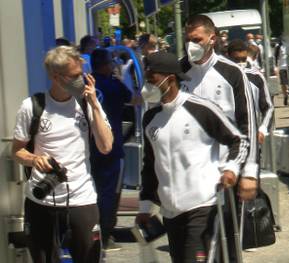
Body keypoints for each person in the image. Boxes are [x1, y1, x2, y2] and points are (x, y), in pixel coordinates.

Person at [135, 51, 249, 263]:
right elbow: (150, 164)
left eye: (151, 78)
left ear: (169, 79)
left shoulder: (200, 109)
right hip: (170, 212)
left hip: (202, 207)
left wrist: (232, 168)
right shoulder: (151, 119)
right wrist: (145, 207)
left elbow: (239, 140)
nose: (146, 84)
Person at [11, 46, 113, 263]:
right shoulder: (32, 106)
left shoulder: (86, 104)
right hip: (42, 199)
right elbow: (17, 151)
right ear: (56, 77)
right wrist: (34, 159)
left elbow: (106, 146)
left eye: (82, 75)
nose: (81, 80)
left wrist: (94, 104)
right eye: (75, 76)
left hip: (81, 197)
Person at [180, 14, 258, 201]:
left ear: (212, 39)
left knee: (228, 228)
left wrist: (249, 171)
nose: (191, 45)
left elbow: (248, 122)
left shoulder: (232, 73)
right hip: (186, 173)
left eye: (197, 40)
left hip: (225, 171)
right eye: (188, 40)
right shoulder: (177, 72)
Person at [90, 48, 141, 251]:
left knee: (94, 190)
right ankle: (106, 233)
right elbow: (135, 99)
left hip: (89, 149)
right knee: (110, 192)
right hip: (112, 147)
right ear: (105, 65)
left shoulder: (86, 84)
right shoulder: (113, 84)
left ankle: (93, 230)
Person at [227, 39, 274, 146]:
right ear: (228, 58)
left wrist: (262, 129)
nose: (240, 64)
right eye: (236, 60)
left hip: (252, 137)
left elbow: (268, 107)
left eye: (243, 59)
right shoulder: (220, 78)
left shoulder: (256, 77)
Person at [274, 37, 289, 106]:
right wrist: (276, 67)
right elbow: (276, 57)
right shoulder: (278, 46)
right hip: (282, 67)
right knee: (284, 84)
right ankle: (285, 96)